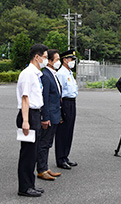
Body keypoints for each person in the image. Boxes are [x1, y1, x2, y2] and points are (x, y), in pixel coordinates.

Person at [16, 44, 48, 197]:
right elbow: (25, 98)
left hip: (35, 114)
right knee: (28, 154)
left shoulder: (36, 74)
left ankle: (31, 184)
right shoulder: (28, 74)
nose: (46, 60)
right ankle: (24, 187)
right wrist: (25, 121)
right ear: (37, 57)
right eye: (45, 57)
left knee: (33, 153)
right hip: (28, 115)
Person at [37, 49, 62, 180]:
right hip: (49, 116)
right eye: (57, 60)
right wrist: (45, 117)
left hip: (55, 114)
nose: (59, 62)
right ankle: (41, 170)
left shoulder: (53, 74)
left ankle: (45, 167)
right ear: (50, 61)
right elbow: (44, 99)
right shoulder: (45, 75)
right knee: (44, 143)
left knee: (48, 143)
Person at [55, 49, 78, 170]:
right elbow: (59, 93)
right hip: (65, 103)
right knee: (62, 132)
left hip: (72, 103)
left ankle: (65, 156)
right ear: (65, 60)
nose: (73, 62)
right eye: (71, 59)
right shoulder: (61, 73)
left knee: (69, 131)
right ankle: (60, 159)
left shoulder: (69, 73)